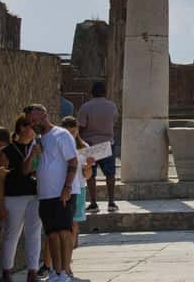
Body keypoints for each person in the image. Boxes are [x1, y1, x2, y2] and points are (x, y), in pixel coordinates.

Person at [26, 104, 79, 282]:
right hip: (45, 194)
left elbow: (73, 162)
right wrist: (33, 155)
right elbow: (28, 170)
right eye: (30, 122)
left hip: (62, 192)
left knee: (64, 232)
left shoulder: (61, 135)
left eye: (35, 120)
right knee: (52, 234)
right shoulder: (37, 141)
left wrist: (67, 187)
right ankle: (56, 272)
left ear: (45, 116)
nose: (33, 124)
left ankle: (65, 272)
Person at [0, 114, 42, 282]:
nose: (34, 130)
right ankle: (7, 271)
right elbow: (0, 181)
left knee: (34, 233)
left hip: (34, 195)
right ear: (22, 128)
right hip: (13, 196)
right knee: (12, 233)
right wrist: (0, 204)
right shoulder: (6, 152)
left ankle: (33, 271)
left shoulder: (35, 147)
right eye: (31, 126)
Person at [77, 81, 119, 213]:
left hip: (90, 144)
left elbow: (81, 126)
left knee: (90, 175)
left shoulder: (85, 107)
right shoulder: (112, 106)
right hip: (107, 144)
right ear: (105, 92)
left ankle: (93, 203)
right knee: (110, 174)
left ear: (92, 92)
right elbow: (114, 121)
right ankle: (111, 203)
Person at [61, 116, 95, 253]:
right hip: (61, 187)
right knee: (62, 223)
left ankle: (69, 253)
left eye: (73, 132)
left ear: (78, 130)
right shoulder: (59, 146)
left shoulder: (84, 147)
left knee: (74, 223)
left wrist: (88, 166)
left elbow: (87, 176)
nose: (71, 135)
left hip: (79, 187)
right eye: (68, 132)